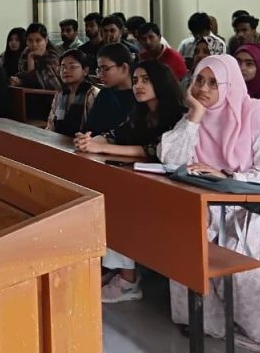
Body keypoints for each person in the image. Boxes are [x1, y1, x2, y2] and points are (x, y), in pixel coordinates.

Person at [160, 55, 260, 352]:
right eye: (199, 80)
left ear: (230, 84)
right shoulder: (196, 115)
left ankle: (258, 328)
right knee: (185, 233)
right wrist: (197, 113)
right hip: (217, 196)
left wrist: (226, 173)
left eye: (214, 83)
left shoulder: (256, 114)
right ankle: (206, 319)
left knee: (246, 250)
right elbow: (171, 159)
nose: (204, 88)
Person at [74, 60, 186, 302]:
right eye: (135, 81)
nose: (138, 86)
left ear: (161, 83)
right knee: (109, 196)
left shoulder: (179, 115)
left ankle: (128, 280)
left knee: (121, 203)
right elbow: (117, 135)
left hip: (173, 189)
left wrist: (100, 149)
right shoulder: (140, 112)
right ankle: (120, 272)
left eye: (145, 80)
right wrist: (92, 141)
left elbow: (154, 150)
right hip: (144, 183)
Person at [76, 44, 136, 137]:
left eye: (105, 68)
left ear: (124, 68)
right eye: (99, 70)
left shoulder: (139, 95)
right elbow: (89, 130)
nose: (100, 75)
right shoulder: (104, 94)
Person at [46, 50, 99, 136]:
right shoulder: (60, 95)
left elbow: (96, 129)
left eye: (72, 67)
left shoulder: (92, 94)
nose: (65, 71)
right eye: (63, 67)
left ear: (85, 70)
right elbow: (51, 126)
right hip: (59, 142)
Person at [10, 22, 63, 90]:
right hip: (32, 95)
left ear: (46, 40)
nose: (34, 44)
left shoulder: (53, 58)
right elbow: (28, 81)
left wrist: (31, 58)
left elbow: (51, 86)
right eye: (30, 40)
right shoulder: (25, 54)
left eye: (38, 40)